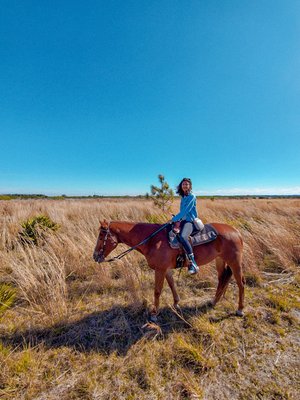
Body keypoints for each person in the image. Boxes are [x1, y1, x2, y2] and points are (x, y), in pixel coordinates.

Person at [170, 178, 199, 274]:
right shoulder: (183, 197)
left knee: (183, 236)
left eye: (187, 184)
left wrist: (174, 219)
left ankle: (193, 263)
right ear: (181, 186)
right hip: (183, 220)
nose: (185, 186)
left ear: (190, 186)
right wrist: (177, 219)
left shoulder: (191, 196)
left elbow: (185, 211)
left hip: (189, 221)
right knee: (171, 233)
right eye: (183, 184)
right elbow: (181, 212)